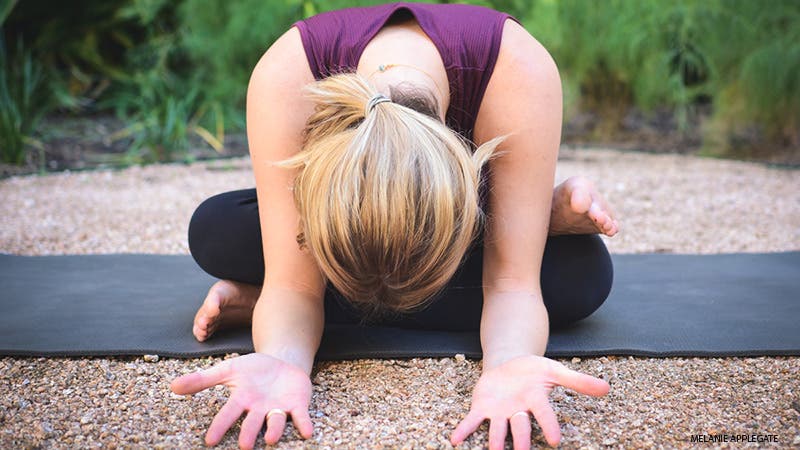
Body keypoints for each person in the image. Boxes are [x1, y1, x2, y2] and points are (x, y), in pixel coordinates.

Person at [170, 3, 619, 449]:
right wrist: (278, 358)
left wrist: (510, 362)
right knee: (217, 230)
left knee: (583, 274)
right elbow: (294, 286)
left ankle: (530, 217)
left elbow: (512, 283)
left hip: (460, 225)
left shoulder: (519, 69)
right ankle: (543, 220)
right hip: (350, 219)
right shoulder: (286, 76)